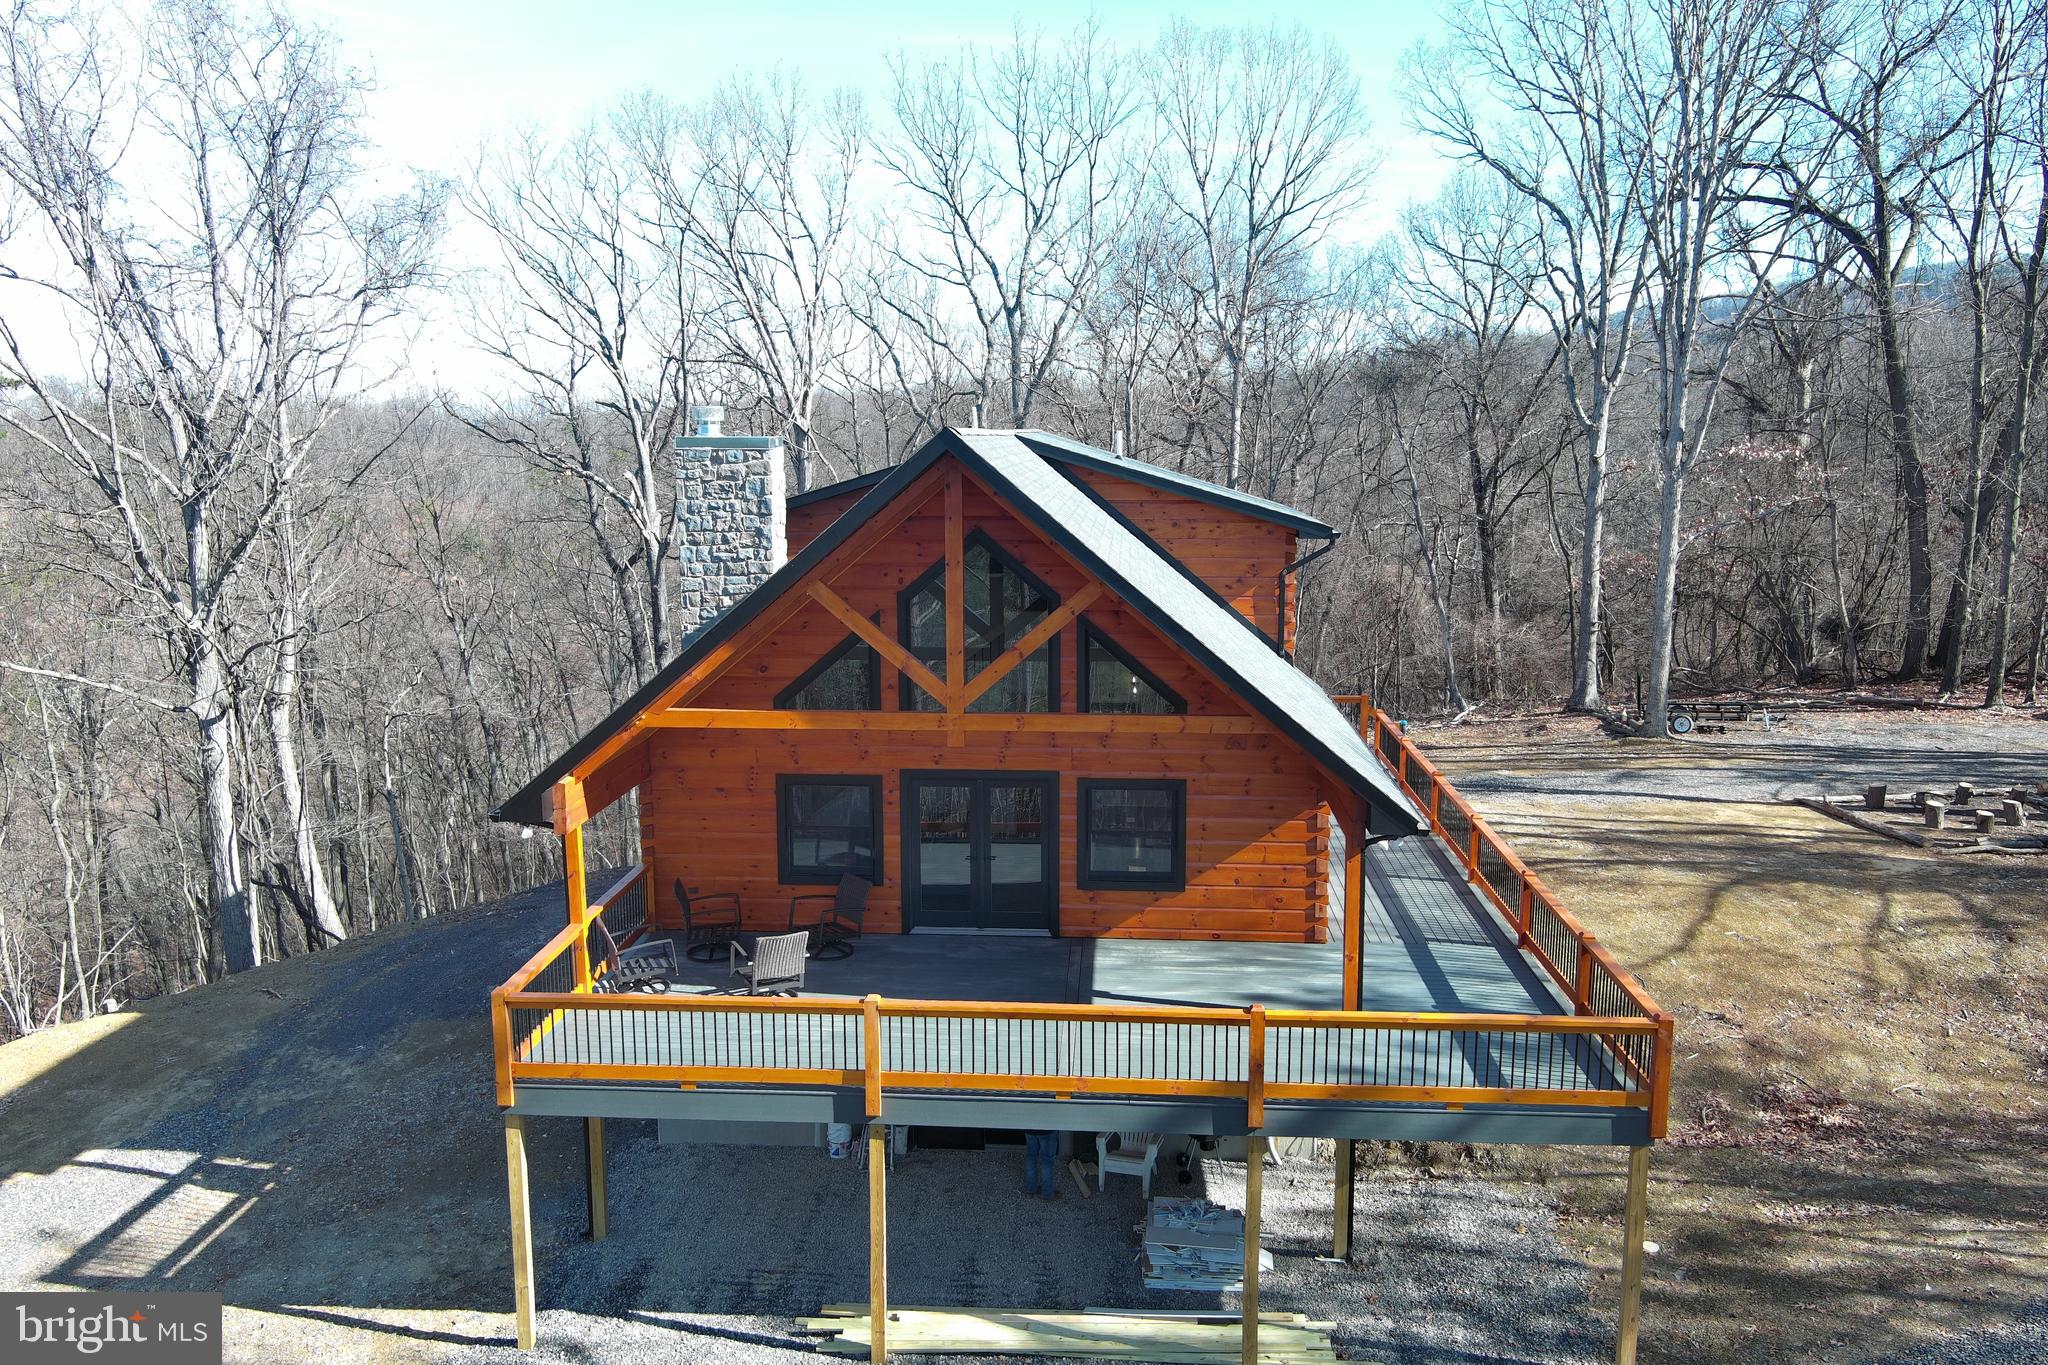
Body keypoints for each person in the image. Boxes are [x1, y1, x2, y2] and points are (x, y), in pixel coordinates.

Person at [1024, 1131, 1060, 1201]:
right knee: (1047, 1161)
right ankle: (1047, 1194)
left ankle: (1031, 1190)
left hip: (1029, 1128)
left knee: (1031, 1157)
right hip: (1047, 1130)